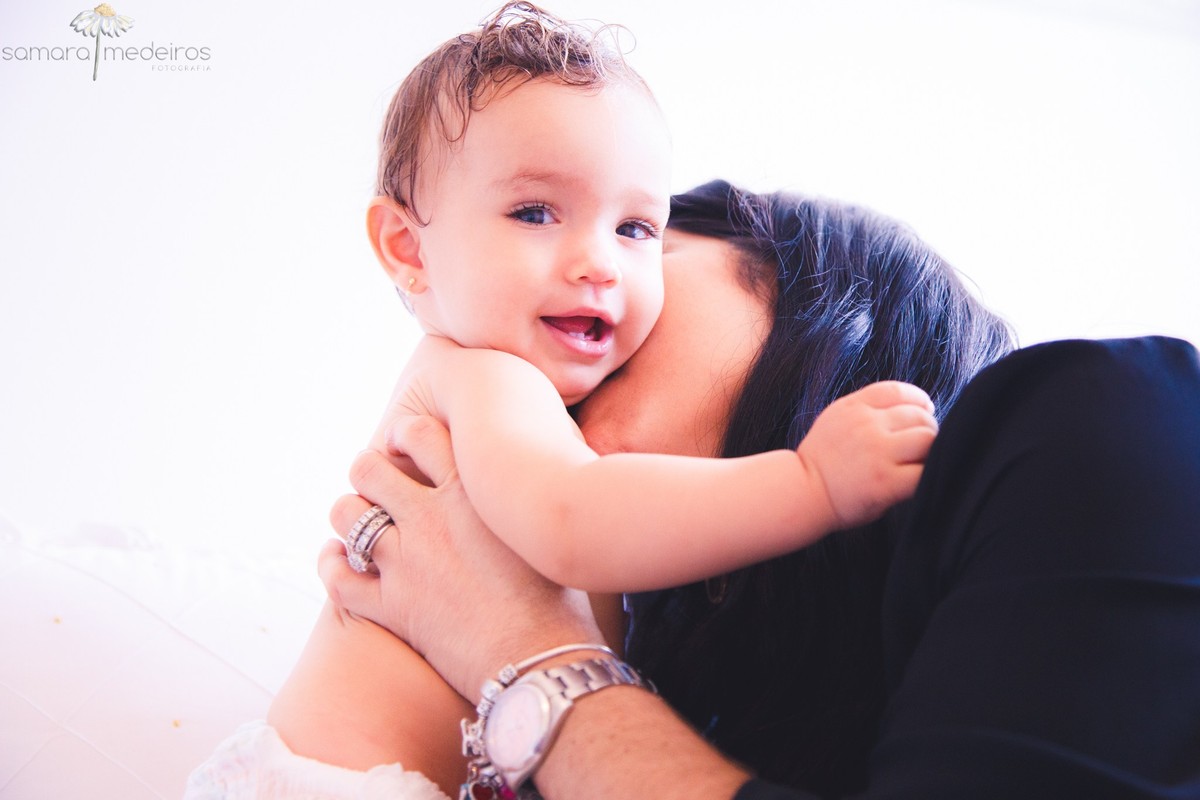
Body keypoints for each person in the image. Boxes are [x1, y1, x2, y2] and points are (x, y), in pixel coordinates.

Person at [323, 180, 1200, 799]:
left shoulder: (1108, 421)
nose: (543, 350)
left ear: (826, 295)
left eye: (637, 236)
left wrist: (521, 646)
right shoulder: (718, 714)